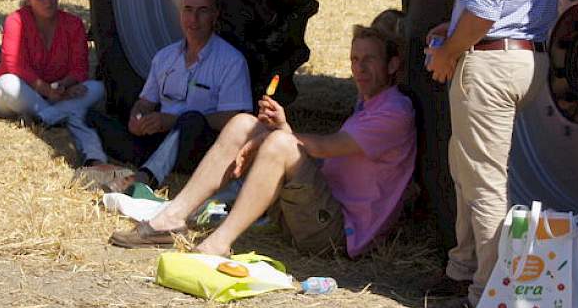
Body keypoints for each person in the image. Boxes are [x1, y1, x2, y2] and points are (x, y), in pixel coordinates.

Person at [109, 23, 417, 259]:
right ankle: (172, 218)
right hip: (314, 212)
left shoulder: (394, 112)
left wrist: (274, 137)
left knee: (277, 143)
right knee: (244, 123)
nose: (359, 68)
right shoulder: (369, 104)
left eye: (370, 60)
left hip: (336, 234)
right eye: (355, 59)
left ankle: (218, 244)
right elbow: (323, 156)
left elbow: (325, 147)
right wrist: (276, 130)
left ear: (392, 65)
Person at [421, 0, 560, 308]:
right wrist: (455, 28)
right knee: (470, 168)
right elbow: (508, 0)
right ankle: (463, 271)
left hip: (489, 62)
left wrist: (449, 52)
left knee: (483, 183)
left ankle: (484, 298)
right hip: (524, 57)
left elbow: (484, 9)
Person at [84, 0, 252, 192]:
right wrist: (138, 117)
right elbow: (145, 102)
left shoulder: (231, 61)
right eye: (188, 10)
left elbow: (236, 119)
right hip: (159, 139)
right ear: (180, 14)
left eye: (203, 11)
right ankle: (98, 164)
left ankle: (147, 177)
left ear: (215, 15)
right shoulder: (165, 57)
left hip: (198, 146)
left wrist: (172, 121)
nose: (194, 18)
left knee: (191, 119)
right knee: (91, 116)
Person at [0, 0, 107, 166]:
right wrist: (47, 90)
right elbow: (14, 64)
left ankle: (46, 117)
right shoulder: (15, 21)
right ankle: (57, 115)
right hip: (19, 94)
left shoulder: (73, 24)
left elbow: (79, 68)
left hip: (55, 95)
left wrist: (63, 87)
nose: (47, 1)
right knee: (7, 83)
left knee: (98, 88)